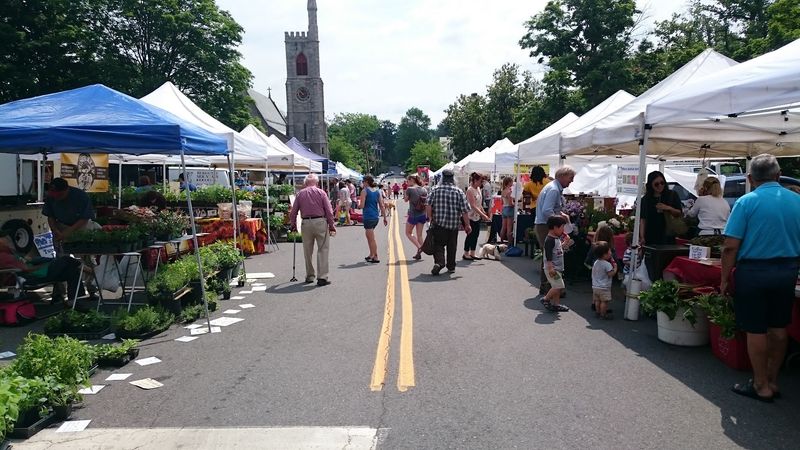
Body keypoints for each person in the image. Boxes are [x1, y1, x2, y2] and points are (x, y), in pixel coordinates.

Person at [720, 154, 800, 403]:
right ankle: (773, 380)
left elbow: (730, 247)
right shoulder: (797, 201)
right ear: (778, 176)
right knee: (778, 328)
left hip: (753, 272)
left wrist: (723, 279)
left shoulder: (746, 202)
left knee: (756, 329)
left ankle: (760, 384)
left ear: (750, 178)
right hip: (787, 270)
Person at [0, 230, 85, 304]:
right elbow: (26, 269)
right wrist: (44, 266)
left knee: (72, 270)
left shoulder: (10, 252)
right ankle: (87, 269)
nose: (8, 240)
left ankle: (74, 301)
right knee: (66, 259)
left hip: (36, 273)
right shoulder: (4, 256)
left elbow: (27, 260)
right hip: (33, 276)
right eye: (5, 238)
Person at [288, 174, 336, 287]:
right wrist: (332, 225)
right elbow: (329, 211)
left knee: (307, 251)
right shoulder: (321, 193)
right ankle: (322, 277)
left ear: (305, 183)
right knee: (323, 249)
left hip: (306, 222)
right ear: (317, 183)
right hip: (320, 221)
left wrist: (293, 225)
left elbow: (293, 212)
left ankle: (310, 275)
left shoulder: (300, 194)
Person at [534, 166, 576, 292]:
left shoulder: (553, 187)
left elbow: (549, 209)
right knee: (549, 256)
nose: (572, 181)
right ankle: (549, 287)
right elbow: (547, 211)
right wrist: (559, 221)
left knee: (548, 256)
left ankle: (548, 286)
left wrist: (560, 214)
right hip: (545, 225)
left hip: (544, 224)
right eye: (570, 178)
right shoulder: (554, 190)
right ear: (562, 176)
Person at [425, 169, 471, 275]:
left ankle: (440, 263)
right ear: (453, 179)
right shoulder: (459, 192)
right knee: (452, 246)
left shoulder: (435, 189)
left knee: (438, 245)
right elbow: (465, 211)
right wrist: (467, 225)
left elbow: (428, 204)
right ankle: (451, 267)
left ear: (442, 178)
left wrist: (430, 217)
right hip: (453, 225)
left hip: (438, 224)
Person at [42, 178, 95, 255]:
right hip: (61, 225)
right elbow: (50, 216)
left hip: (80, 226)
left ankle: (85, 265)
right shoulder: (51, 197)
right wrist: (54, 230)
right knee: (61, 255)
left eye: (59, 195)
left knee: (83, 253)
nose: (56, 198)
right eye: (54, 195)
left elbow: (84, 218)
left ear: (67, 190)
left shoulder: (81, 196)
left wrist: (68, 232)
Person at [638, 171, 682, 246]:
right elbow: (643, 220)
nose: (660, 186)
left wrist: (667, 208)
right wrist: (642, 237)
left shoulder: (672, 195)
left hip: (668, 234)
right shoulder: (646, 199)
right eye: (656, 184)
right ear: (650, 185)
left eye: (662, 183)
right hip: (651, 234)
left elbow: (679, 213)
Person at [541, 215, 571, 312]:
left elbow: (557, 250)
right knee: (559, 286)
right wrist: (550, 267)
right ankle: (546, 299)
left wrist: (565, 243)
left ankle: (556, 304)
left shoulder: (556, 238)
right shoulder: (549, 240)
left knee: (556, 287)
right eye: (562, 227)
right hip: (552, 268)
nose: (563, 230)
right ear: (555, 227)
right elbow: (548, 255)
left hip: (557, 268)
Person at [359, 175, 388, 263]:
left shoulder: (364, 191)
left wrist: (358, 205)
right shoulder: (377, 191)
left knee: (371, 238)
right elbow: (381, 205)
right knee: (369, 237)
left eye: (363, 182)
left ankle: (375, 256)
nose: (362, 183)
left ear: (366, 182)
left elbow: (362, 205)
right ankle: (371, 254)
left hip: (368, 216)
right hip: (375, 216)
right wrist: (385, 217)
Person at [463, 172, 490, 261]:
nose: (480, 183)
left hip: (477, 215)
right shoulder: (470, 190)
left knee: (476, 234)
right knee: (470, 234)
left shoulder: (478, 189)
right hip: (470, 215)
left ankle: (472, 252)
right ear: (474, 180)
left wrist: (483, 212)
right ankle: (466, 253)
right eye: (479, 181)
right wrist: (483, 215)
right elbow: (473, 205)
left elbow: (479, 203)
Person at [404, 175, 428, 260]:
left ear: (412, 180)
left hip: (413, 214)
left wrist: (405, 191)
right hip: (422, 214)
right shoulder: (424, 189)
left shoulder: (410, 189)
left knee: (408, 233)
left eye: (408, 181)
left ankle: (419, 247)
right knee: (419, 235)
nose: (407, 183)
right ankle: (419, 253)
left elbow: (405, 200)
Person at [591, 241, 617, 320]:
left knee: (597, 300)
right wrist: (615, 268)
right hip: (604, 287)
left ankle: (598, 312)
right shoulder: (607, 264)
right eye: (609, 251)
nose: (611, 252)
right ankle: (603, 314)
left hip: (595, 286)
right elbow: (610, 274)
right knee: (604, 301)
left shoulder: (596, 262)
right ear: (605, 254)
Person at [499, 177, 515, 243]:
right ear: (509, 183)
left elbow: (501, 202)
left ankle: (501, 242)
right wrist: (515, 204)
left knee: (503, 227)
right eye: (512, 182)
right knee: (509, 228)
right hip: (509, 209)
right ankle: (509, 244)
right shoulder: (509, 192)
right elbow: (511, 203)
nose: (512, 183)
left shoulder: (503, 191)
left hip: (504, 209)